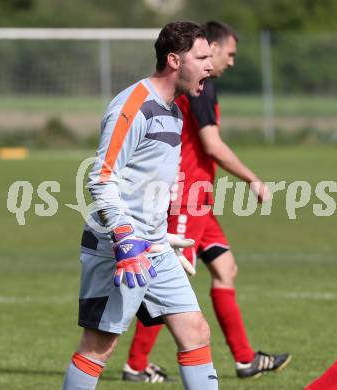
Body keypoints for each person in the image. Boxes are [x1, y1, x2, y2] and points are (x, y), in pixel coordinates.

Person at [123, 21, 291, 383]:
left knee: (225, 268)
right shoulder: (201, 90)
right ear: (210, 48)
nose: (230, 61)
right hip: (186, 197)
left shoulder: (201, 86)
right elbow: (212, 145)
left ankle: (246, 360)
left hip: (202, 198)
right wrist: (253, 179)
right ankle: (135, 365)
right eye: (228, 53)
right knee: (168, 276)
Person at [62, 21, 218, 390]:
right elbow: (101, 178)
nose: (210, 66)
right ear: (174, 60)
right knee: (100, 345)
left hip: (154, 247)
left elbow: (145, 185)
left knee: (195, 331)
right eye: (202, 57)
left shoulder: (174, 111)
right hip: (117, 248)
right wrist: (126, 239)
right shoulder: (133, 105)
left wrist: (160, 237)